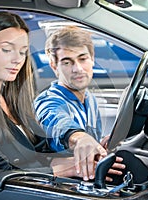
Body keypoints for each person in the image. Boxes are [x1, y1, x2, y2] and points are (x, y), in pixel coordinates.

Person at [0, 11, 124, 180]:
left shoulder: (12, 101)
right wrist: (73, 166)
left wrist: (87, 155)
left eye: (22, 52)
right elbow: (4, 170)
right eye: (7, 49)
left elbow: (41, 151)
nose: (17, 59)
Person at [34, 25, 126, 181]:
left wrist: (99, 144)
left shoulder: (89, 99)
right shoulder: (49, 101)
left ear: (92, 59)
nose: (77, 68)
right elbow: (56, 122)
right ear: (54, 66)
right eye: (67, 62)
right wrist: (80, 138)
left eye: (82, 59)